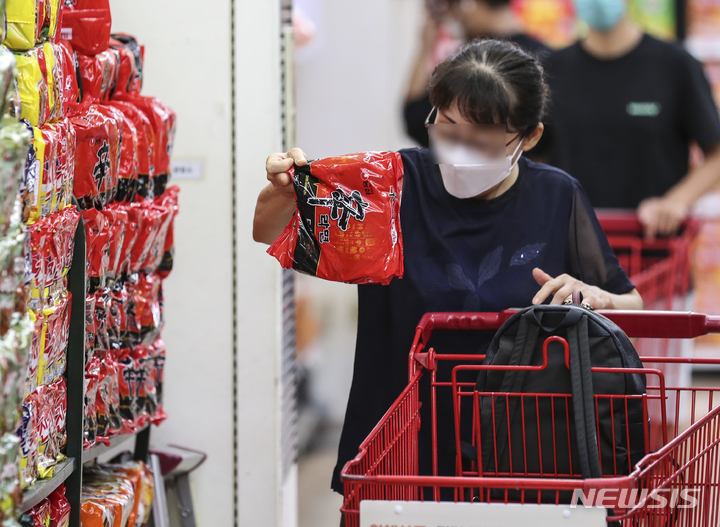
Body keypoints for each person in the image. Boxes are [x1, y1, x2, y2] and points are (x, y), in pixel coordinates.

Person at [253, 40, 643, 502]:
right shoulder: (391, 187)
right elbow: (267, 231)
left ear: (529, 137)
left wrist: (595, 297)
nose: (457, 151)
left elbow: (629, 303)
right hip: (397, 445)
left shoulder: (557, 197)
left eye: (479, 140)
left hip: (522, 451)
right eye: (446, 129)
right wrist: (282, 189)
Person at [546, 0, 720, 238]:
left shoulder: (675, 64)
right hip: (572, 249)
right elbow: (531, 154)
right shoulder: (551, 69)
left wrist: (675, 201)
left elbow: (716, 153)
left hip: (653, 251)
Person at [404, 0, 549, 148]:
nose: (457, 17)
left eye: (457, 5)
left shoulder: (468, 61)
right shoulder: (546, 55)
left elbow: (414, 116)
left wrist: (425, 47)